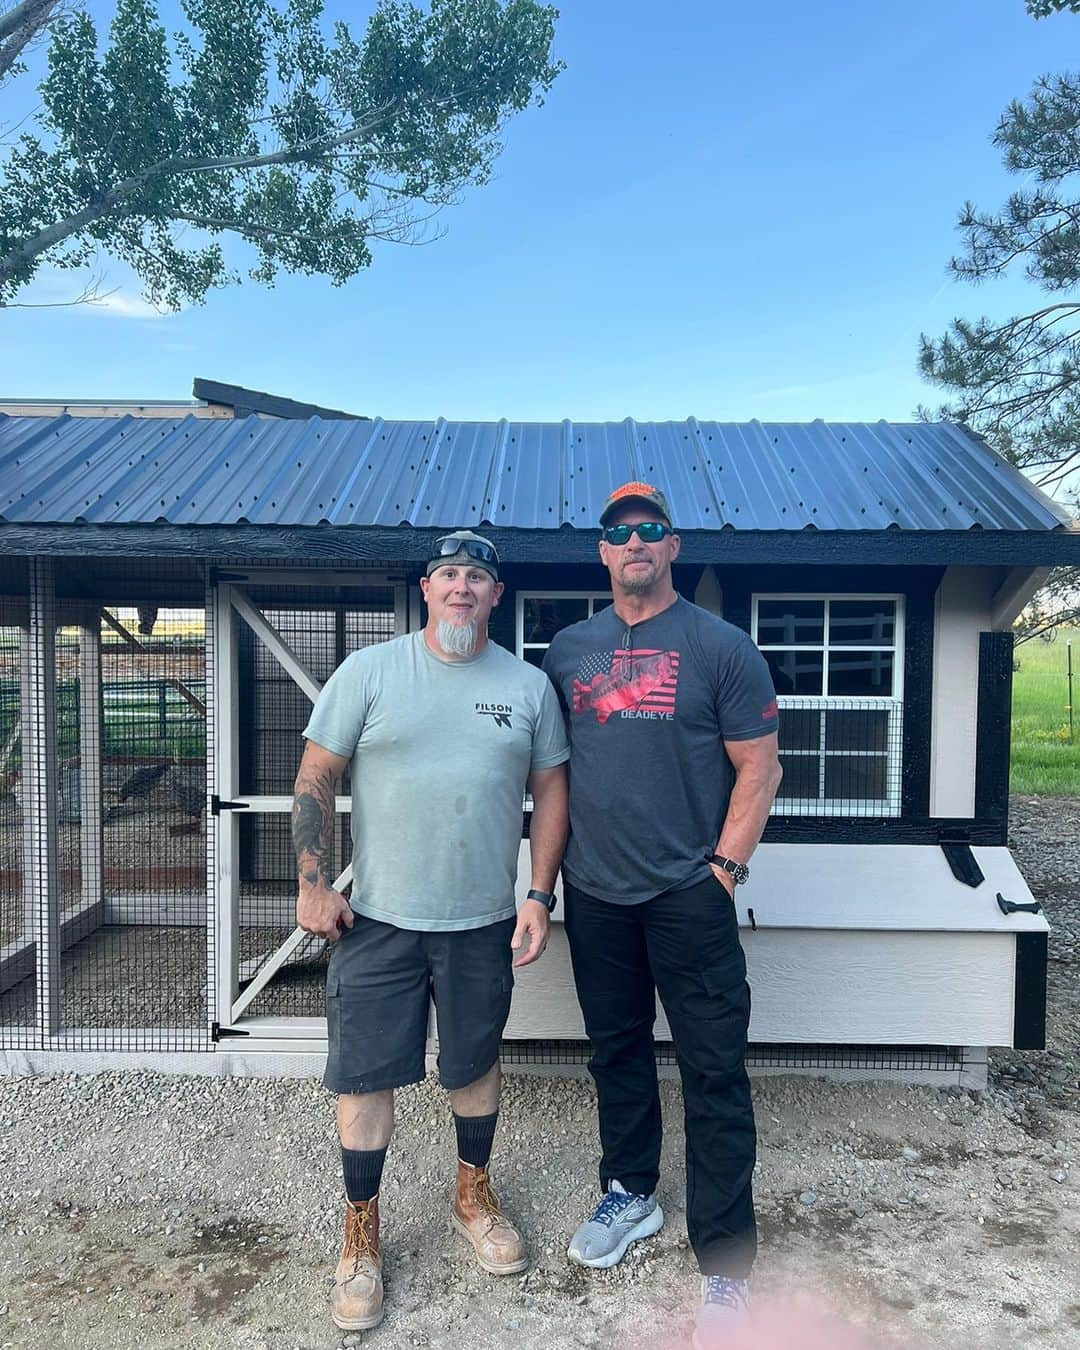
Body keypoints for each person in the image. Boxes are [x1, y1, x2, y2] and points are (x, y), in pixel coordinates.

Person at [292, 530, 569, 1332]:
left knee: (474, 1064)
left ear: (496, 596)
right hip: (377, 921)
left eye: (477, 576)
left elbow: (552, 791)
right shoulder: (371, 673)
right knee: (363, 1076)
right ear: (426, 587)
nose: (462, 587)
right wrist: (312, 884)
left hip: (482, 923)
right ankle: (360, 1231)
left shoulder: (526, 687)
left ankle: (472, 1194)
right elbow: (315, 773)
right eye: (449, 573)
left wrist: (539, 893)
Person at [541, 483, 782, 1347]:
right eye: (618, 532)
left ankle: (724, 1267)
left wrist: (723, 870)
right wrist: (546, 883)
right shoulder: (569, 652)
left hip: (689, 896)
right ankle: (631, 1193)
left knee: (714, 1070)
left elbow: (760, 768)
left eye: (649, 529)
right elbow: (553, 776)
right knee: (616, 1052)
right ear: (601, 553)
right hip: (596, 893)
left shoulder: (722, 647)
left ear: (672, 546)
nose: (633, 541)